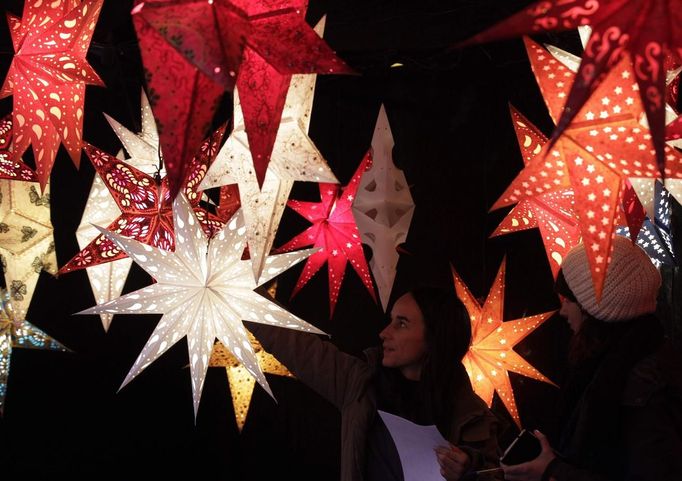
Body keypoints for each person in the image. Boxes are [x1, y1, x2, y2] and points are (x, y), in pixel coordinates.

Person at [247, 285, 502, 481]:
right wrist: (240, 289)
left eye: (401, 323)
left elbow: (498, 473)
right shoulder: (359, 383)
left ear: (435, 336)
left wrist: (468, 470)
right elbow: (294, 344)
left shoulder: (474, 418)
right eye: (391, 320)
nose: (384, 333)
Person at [502, 236, 682, 481]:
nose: (562, 311)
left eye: (569, 300)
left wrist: (553, 471)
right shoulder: (609, 361)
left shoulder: (643, 380)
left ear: (594, 307)